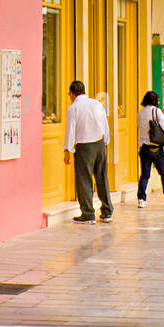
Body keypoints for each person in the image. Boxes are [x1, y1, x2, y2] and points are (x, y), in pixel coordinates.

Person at [63, 80, 112, 224]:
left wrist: (68, 150)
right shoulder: (97, 104)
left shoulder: (73, 108)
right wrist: (106, 141)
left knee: (84, 179)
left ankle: (88, 213)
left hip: (84, 147)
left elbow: (70, 131)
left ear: (72, 93)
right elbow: (105, 123)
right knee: (102, 177)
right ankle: (107, 211)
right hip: (99, 143)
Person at [136, 91, 164, 208]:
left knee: (145, 174)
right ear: (155, 101)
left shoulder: (140, 113)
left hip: (144, 147)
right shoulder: (157, 112)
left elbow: (140, 130)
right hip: (156, 148)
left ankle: (141, 199)